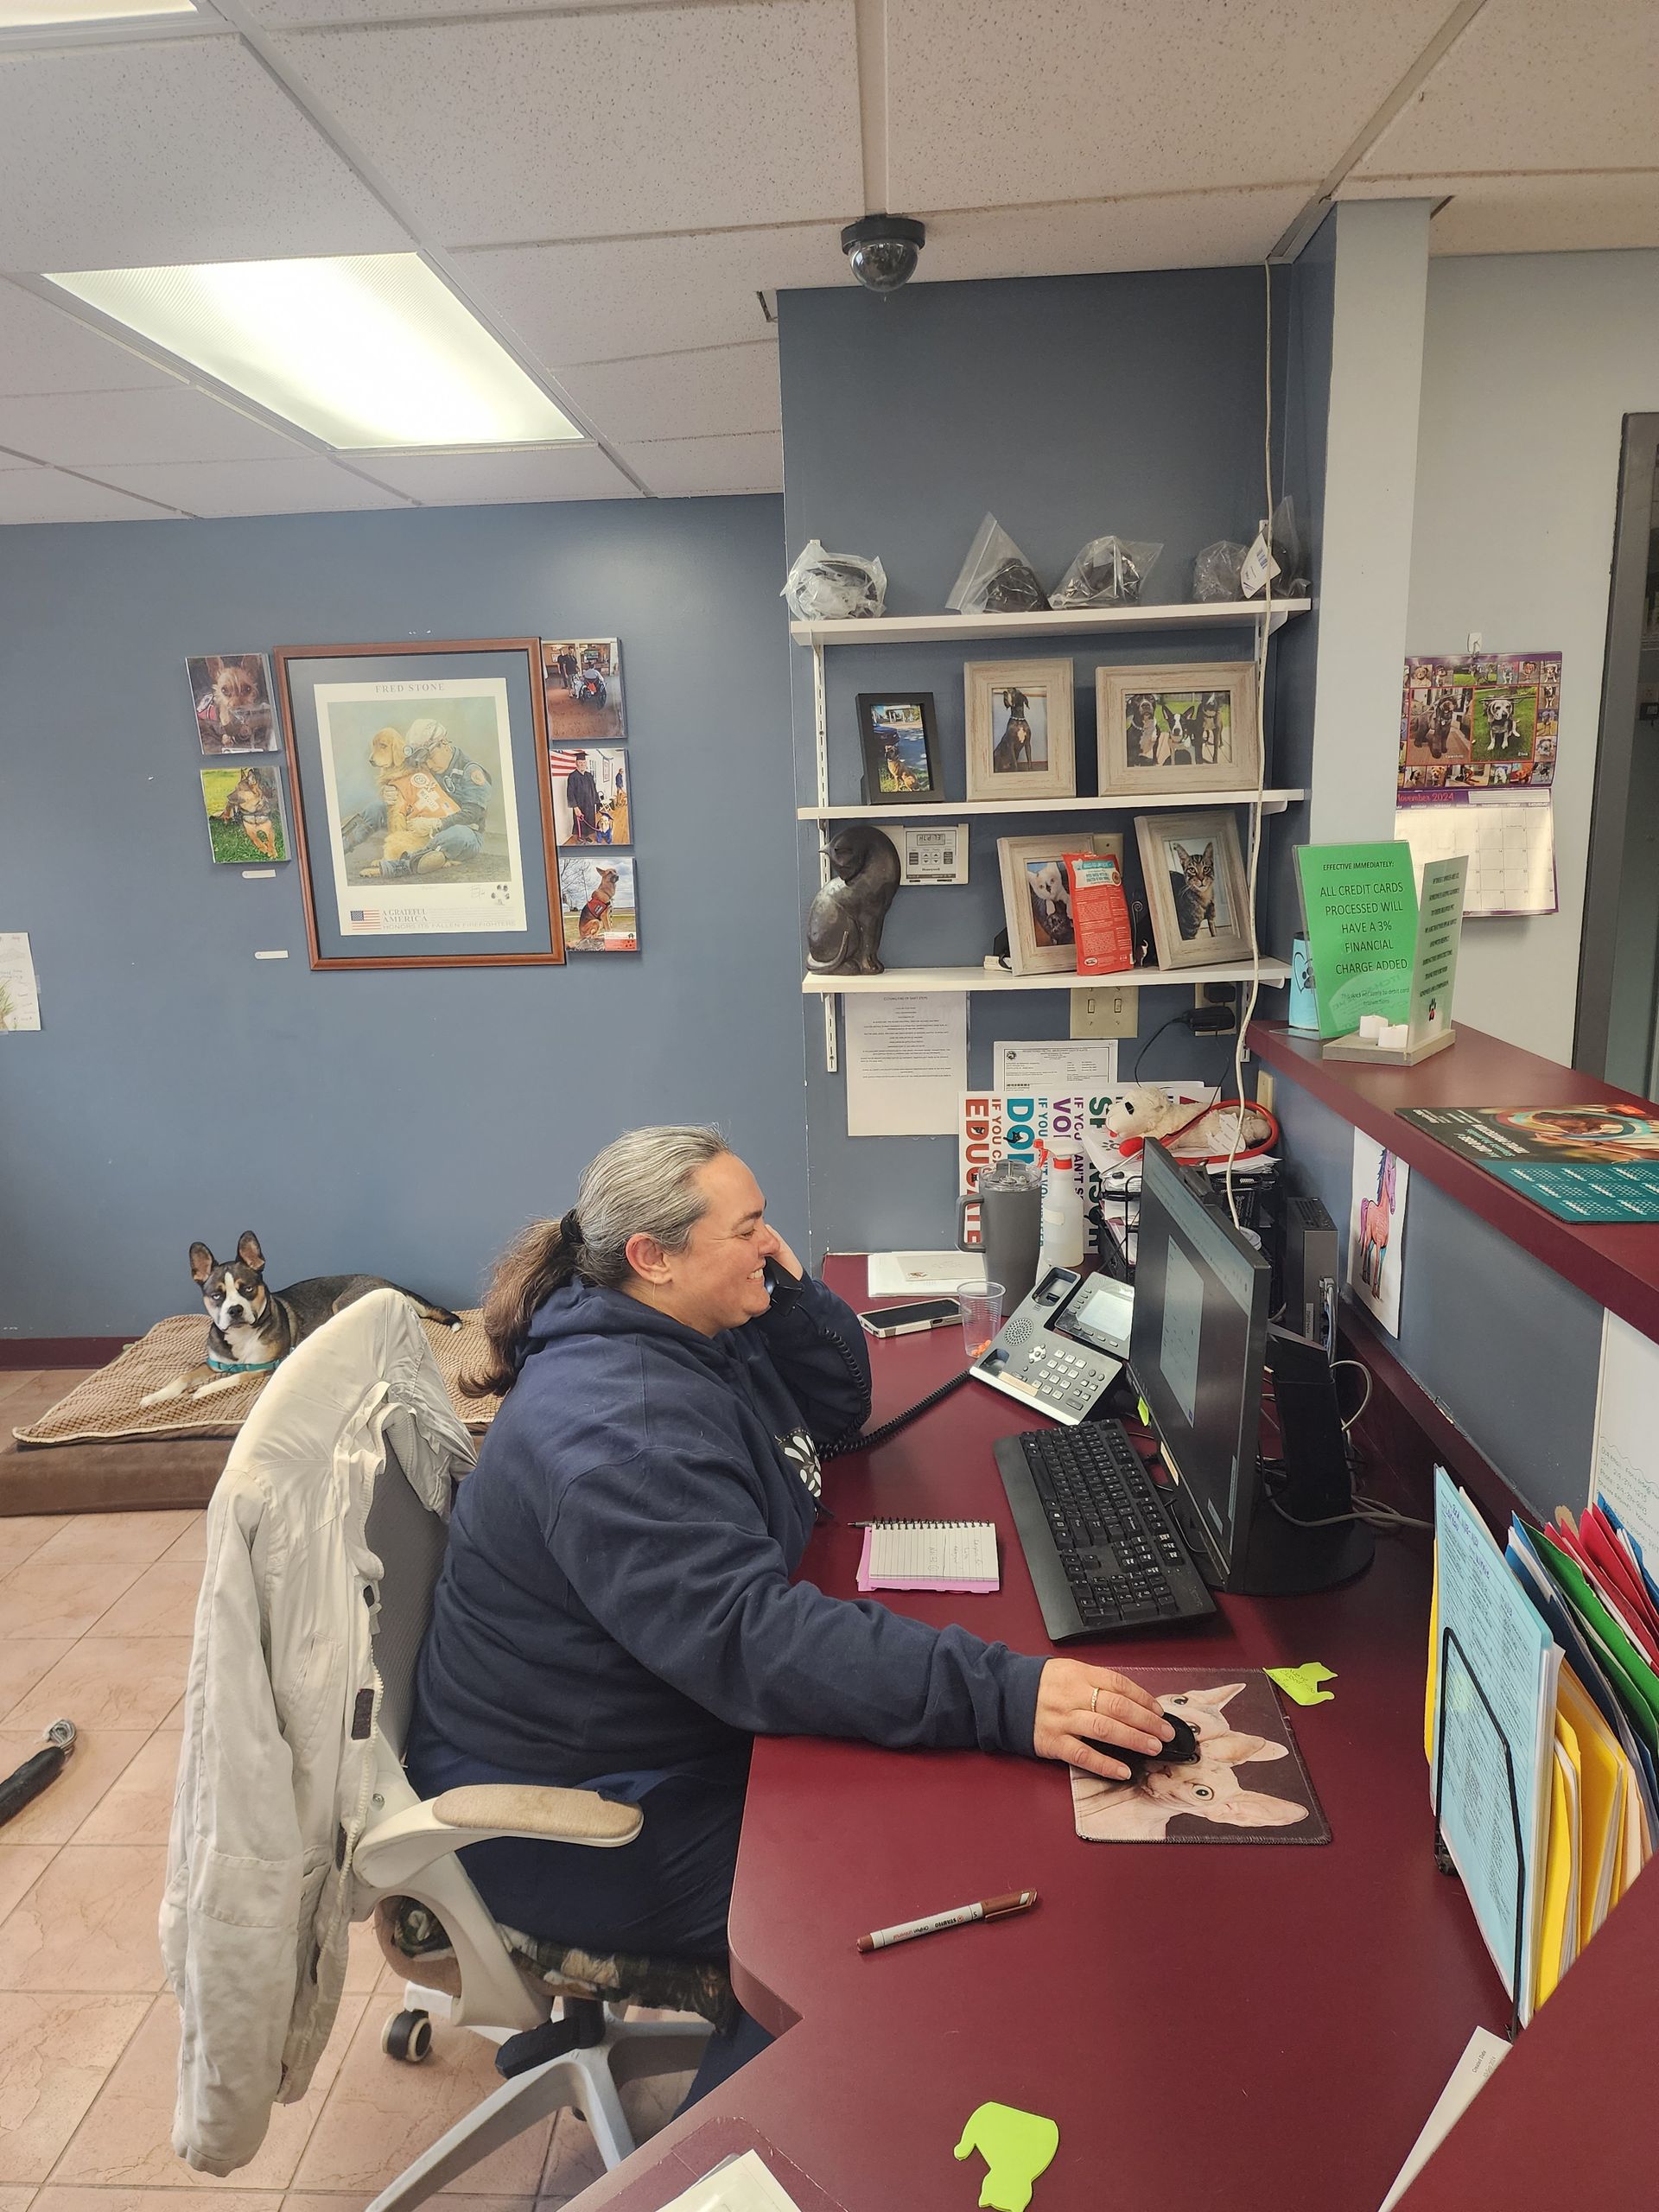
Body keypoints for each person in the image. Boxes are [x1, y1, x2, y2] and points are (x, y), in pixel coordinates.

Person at [406, 1126, 1170, 2104]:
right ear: (654, 1256)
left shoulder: (685, 1324)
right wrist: (1007, 1693)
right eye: (750, 1228)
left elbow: (841, 1408)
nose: (770, 1245)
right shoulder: (617, 1428)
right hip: (571, 1814)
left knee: (926, 1799)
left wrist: (787, 1288)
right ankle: (747, 2159)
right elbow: (756, 1643)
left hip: (660, 1728)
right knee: (869, 1891)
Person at [340, 717, 493, 876]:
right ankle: (339, 845)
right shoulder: (423, 763)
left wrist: (436, 824)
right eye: (423, 761)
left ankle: (402, 865)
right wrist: (389, 791)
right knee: (377, 807)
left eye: (430, 758)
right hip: (419, 824)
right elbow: (402, 778)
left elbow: (474, 814)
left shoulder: (470, 771)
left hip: (464, 833)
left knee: (459, 835)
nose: (428, 765)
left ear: (445, 744)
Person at [564, 748, 601, 842]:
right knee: (580, 822)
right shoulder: (572, 776)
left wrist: (597, 802)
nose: (582, 765)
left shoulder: (589, 775)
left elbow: (594, 788)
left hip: (590, 804)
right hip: (579, 805)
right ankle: (580, 838)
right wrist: (575, 807)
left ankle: (586, 836)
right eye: (580, 763)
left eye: (584, 763)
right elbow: (570, 793)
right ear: (576, 763)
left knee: (589, 820)